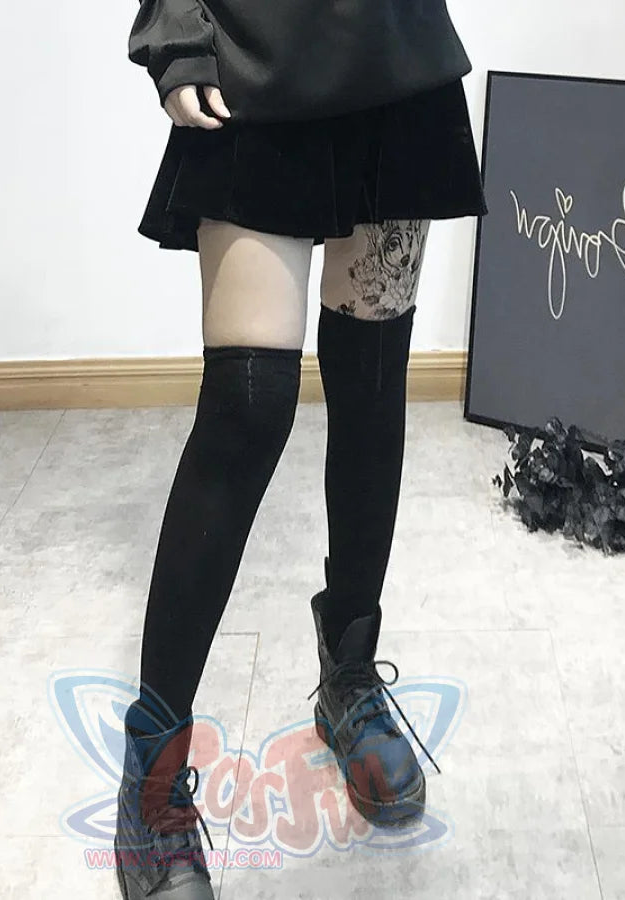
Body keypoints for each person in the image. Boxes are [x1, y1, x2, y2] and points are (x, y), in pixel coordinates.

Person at [114, 2, 488, 897]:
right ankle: (152, 774)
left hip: (396, 65)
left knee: (371, 386)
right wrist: (177, 31)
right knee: (247, 411)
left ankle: (348, 676)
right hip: (253, 58)